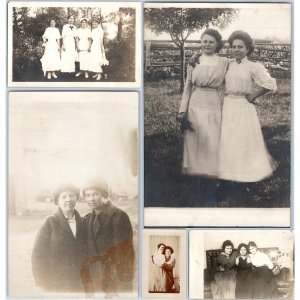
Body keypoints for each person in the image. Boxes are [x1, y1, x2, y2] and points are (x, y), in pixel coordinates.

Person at [178, 29, 228, 205]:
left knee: (212, 141)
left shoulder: (224, 62)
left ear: (217, 44)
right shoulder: (194, 61)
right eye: (204, 41)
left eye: (211, 42)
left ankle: (212, 182)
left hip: (214, 104)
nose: (207, 45)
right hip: (195, 104)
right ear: (201, 42)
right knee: (195, 141)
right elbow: (187, 88)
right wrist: (182, 111)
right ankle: (197, 180)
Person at [218, 30, 277, 182]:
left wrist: (253, 96)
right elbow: (209, 60)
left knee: (243, 138)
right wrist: (195, 56)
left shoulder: (253, 66)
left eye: (240, 47)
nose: (236, 50)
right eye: (234, 47)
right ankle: (228, 171)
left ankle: (245, 171)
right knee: (228, 138)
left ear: (247, 49)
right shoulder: (227, 64)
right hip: (228, 104)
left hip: (244, 106)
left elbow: (270, 83)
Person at [80, 177, 134, 295]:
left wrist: (124, 286)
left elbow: (125, 253)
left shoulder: (118, 216)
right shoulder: (88, 218)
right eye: (88, 195)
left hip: (115, 279)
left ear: (104, 194)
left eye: (95, 194)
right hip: (96, 279)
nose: (91, 199)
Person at [31, 184, 86, 292]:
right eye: (64, 197)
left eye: (71, 196)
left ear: (76, 198)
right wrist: (40, 283)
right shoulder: (50, 222)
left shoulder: (84, 222)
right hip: (57, 283)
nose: (68, 199)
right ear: (57, 201)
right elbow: (37, 255)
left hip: (80, 283)